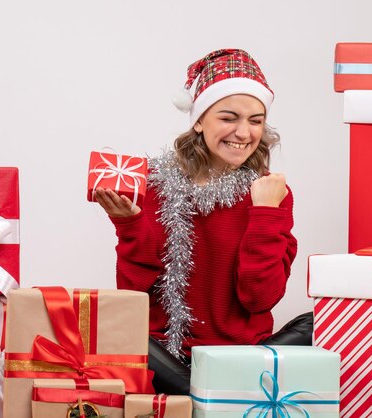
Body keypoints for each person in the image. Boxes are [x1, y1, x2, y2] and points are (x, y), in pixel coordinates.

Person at [94, 49, 313, 395]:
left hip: (240, 354)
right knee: (111, 326)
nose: (243, 133)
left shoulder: (271, 193)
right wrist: (130, 226)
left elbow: (259, 298)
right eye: (229, 118)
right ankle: (210, 396)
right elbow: (134, 295)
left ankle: (203, 395)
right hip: (167, 357)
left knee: (319, 323)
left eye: (255, 121)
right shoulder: (153, 184)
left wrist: (266, 214)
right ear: (198, 120)